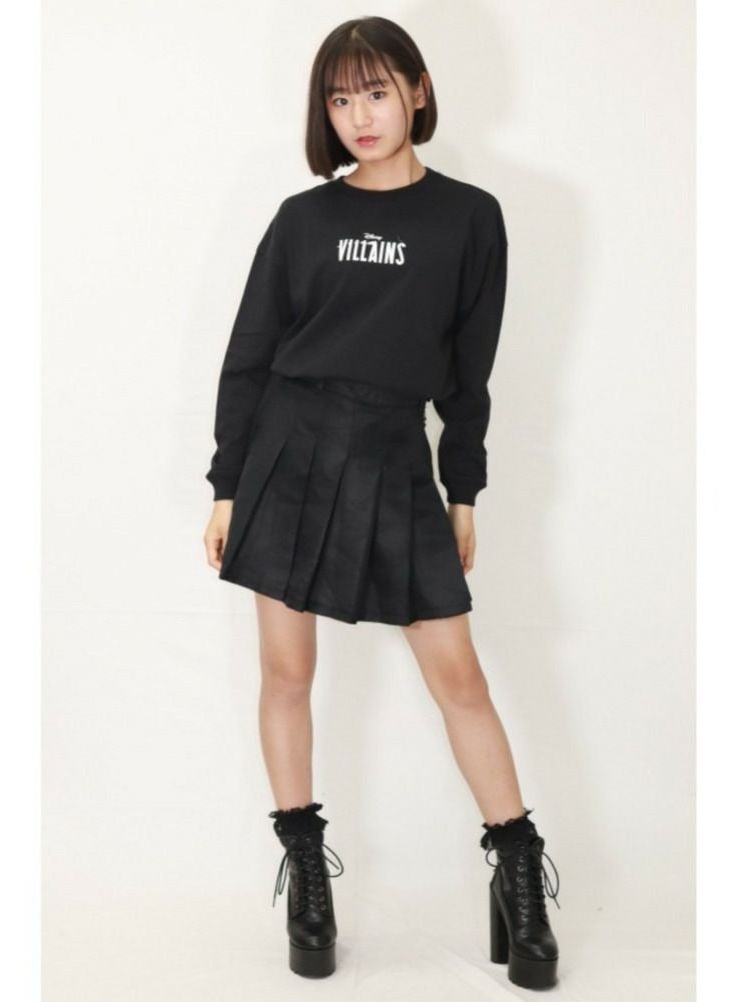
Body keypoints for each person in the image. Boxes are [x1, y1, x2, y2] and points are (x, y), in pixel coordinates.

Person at [202, 16, 561, 990]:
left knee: (460, 677)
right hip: (289, 449)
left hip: (397, 454)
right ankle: (307, 877)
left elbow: (470, 374)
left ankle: (518, 871)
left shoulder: (470, 217)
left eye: (375, 91)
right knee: (287, 670)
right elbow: (248, 357)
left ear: (418, 90)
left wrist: (463, 490)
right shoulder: (301, 220)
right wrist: (228, 484)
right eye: (339, 97)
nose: (358, 115)